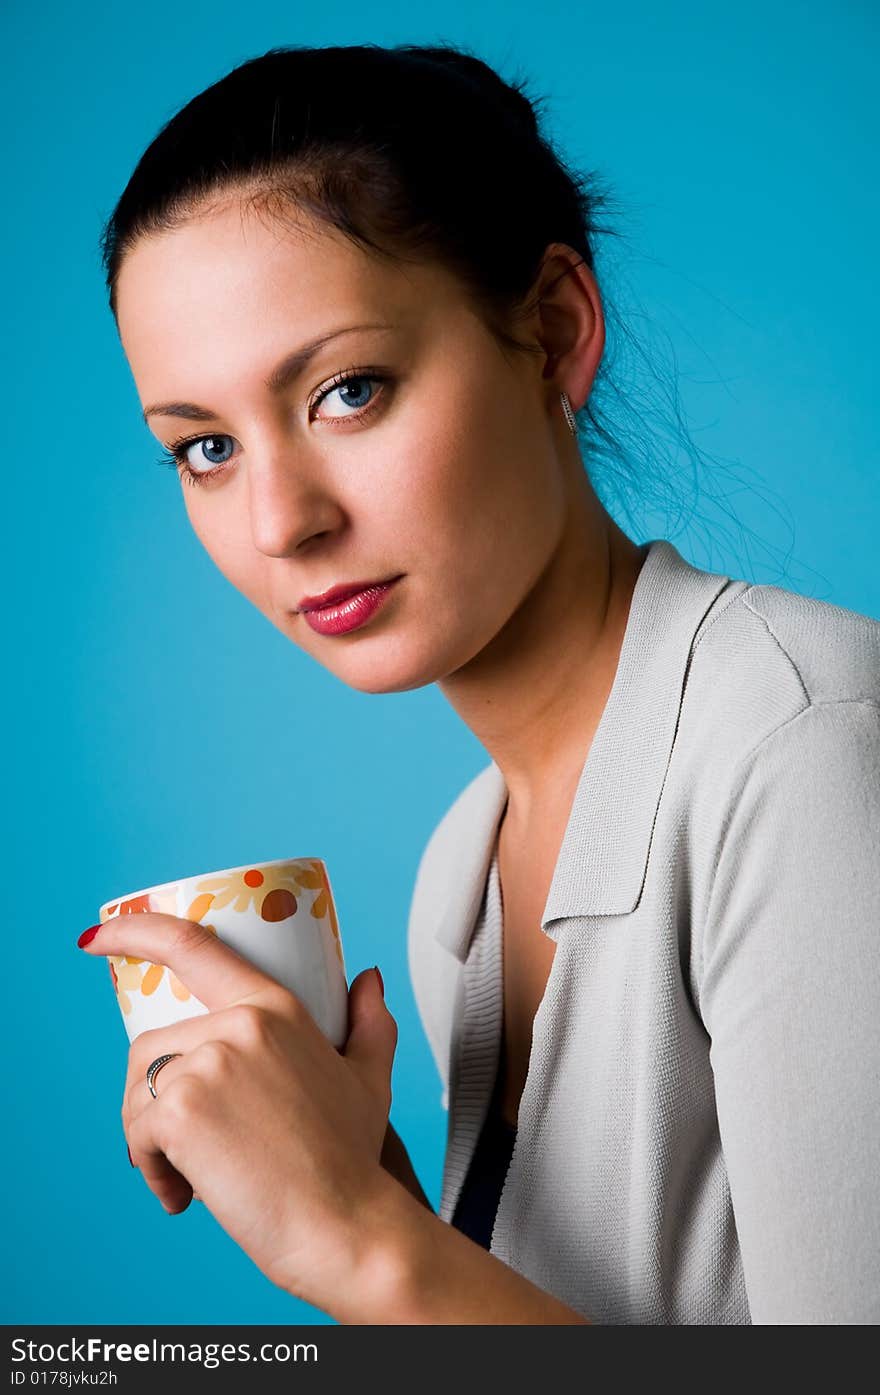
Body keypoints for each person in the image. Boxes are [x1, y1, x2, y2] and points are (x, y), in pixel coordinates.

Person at [81, 42, 880, 1324]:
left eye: (349, 390)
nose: (280, 521)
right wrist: (366, 1193)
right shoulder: (467, 863)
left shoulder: (805, 748)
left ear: (554, 330)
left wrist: (358, 1244)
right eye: (206, 448)